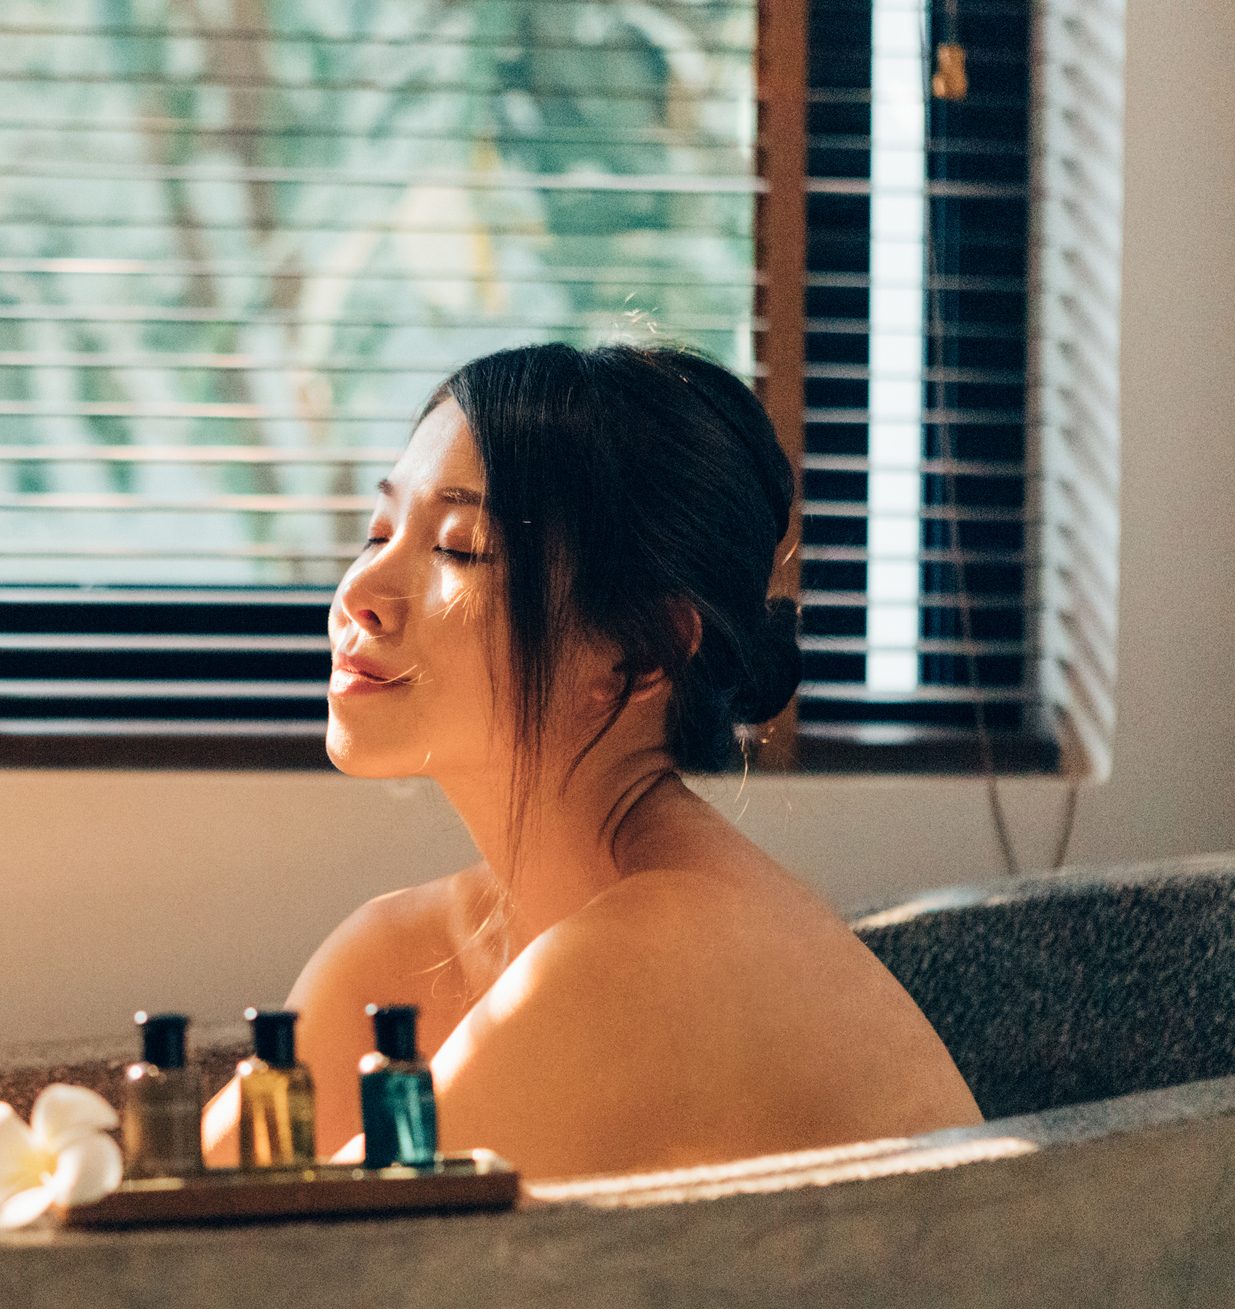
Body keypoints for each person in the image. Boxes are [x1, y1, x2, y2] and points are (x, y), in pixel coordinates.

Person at [201, 342, 982, 1180]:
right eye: (379, 531)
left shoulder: (660, 957)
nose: (359, 594)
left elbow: (305, 1250)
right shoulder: (405, 949)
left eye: (458, 548)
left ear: (641, 653)